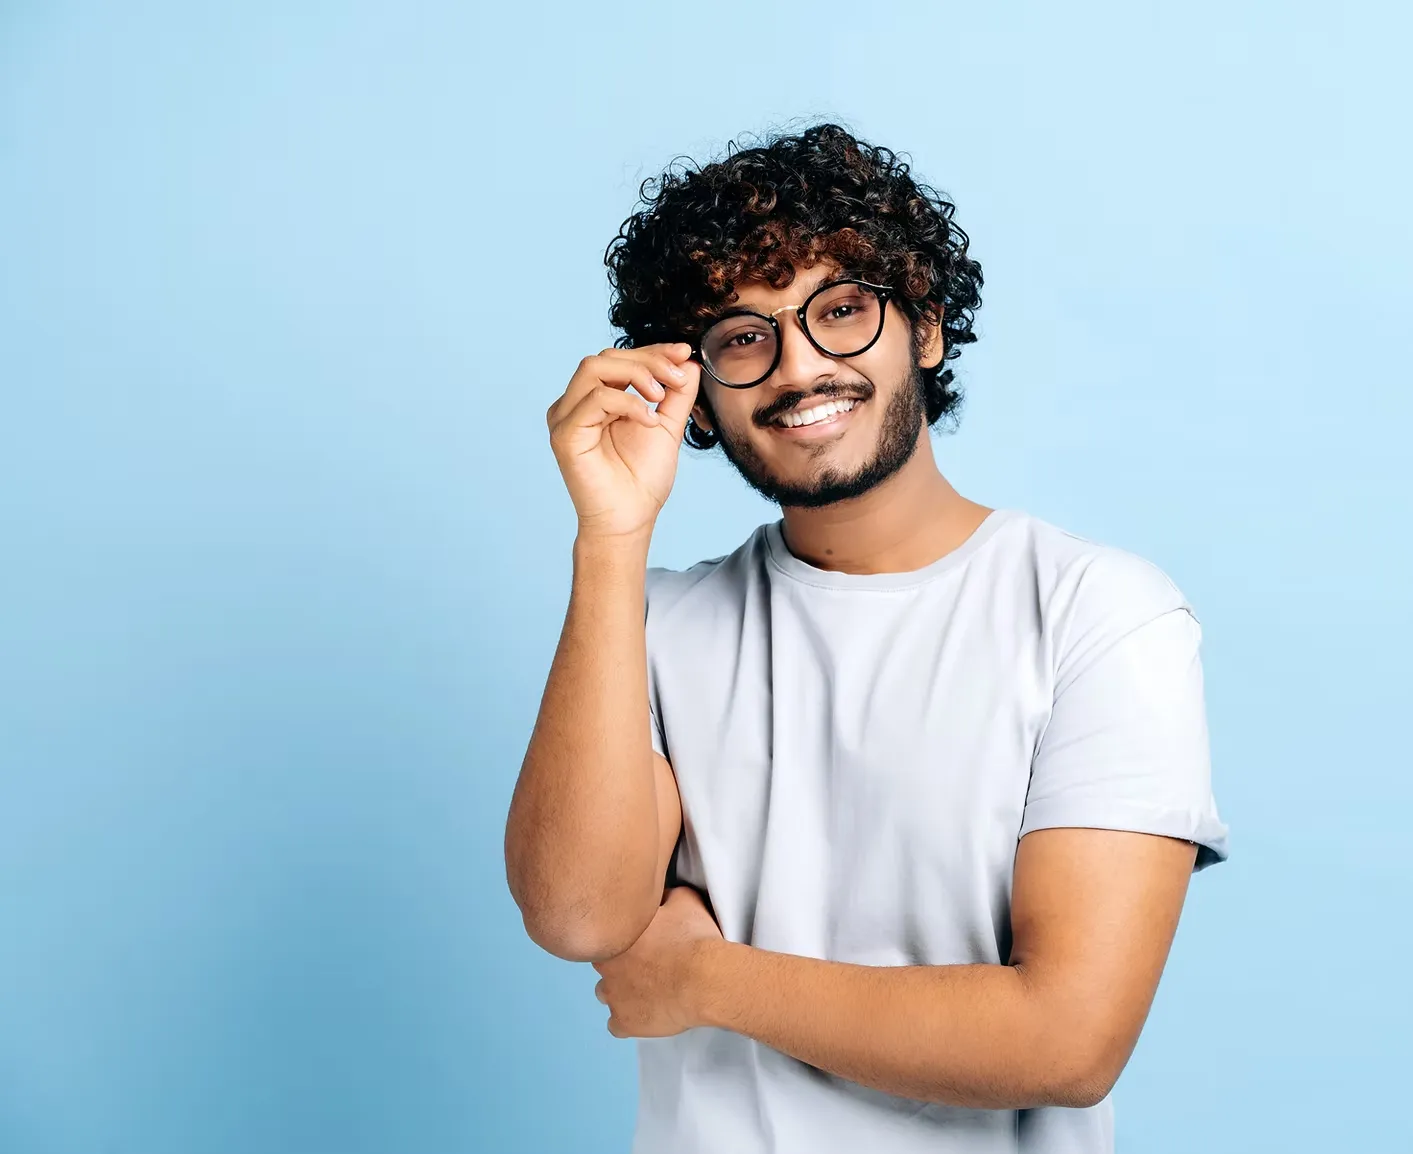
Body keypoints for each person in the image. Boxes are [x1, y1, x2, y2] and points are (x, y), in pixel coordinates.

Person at [504, 123, 1230, 1154]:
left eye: (840, 311)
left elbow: (1069, 1038)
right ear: (697, 388)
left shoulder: (1098, 613)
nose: (799, 369)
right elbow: (576, 913)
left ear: (925, 328)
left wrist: (709, 978)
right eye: (743, 335)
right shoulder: (654, 624)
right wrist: (611, 536)